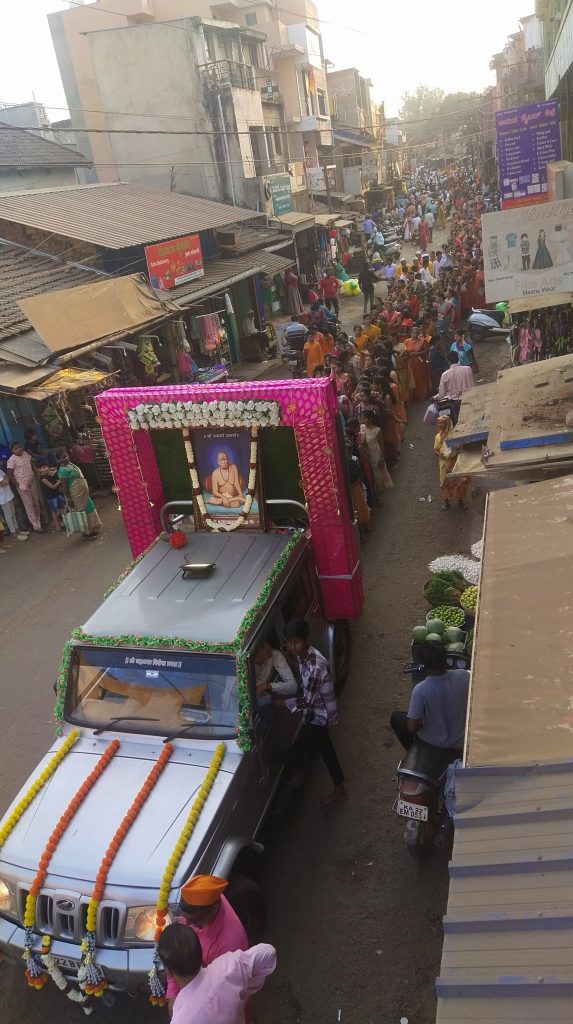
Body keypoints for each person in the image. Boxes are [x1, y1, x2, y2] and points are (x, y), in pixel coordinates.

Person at [282, 618, 347, 805]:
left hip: (319, 715)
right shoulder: (303, 656)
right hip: (316, 713)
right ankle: (340, 789)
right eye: (289, 642)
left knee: (291, 755)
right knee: (327, 751)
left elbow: (306, 701)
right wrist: (290, 658)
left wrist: (281, 703)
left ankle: (301, 770)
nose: (293, 647)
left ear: (306, 640)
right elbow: (299, 665)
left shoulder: (315, 665)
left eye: (296, 642)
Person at [158, 923, 275, 1024]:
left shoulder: (181, 1019)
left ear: (168, 970)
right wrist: (245, 988)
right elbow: (268, 952)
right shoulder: (229, 966)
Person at [165, 875, 249, 1014]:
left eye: (195, 922)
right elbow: (177, 952)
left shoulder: (231, 944)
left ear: (214, 908)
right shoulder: (204, 902)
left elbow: (227, 997)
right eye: (186, 919)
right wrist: (173, 993)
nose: (188, 925)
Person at [390, 640, 470, 756]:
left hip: (434, 743)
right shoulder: (464, 676)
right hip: (462, 741)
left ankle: (415, 753)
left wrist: (422, 722)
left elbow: (412, 727)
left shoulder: (421, 690)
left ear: (423, 664)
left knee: (397, 718)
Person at [56, 447, 103, 538]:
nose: (66, 458)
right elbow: (65, 487)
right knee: (81, 512)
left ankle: (93, 528)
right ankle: (86, 534)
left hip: (84, 494)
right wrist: (69, 499)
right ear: (58, 460)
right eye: (63, 457)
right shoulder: (62, 471)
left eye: (66, 456)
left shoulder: (70, 464)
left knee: (90, 508)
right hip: (75, 495)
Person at [434, 415, 470, 510]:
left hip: (455, 463)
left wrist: (456, 451)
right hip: (444, 464)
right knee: (445, 482)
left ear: (448, 424)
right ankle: (446, 502)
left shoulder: (454, 436)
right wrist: (438, 454)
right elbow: (436, 449)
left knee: (460, 482)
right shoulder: (438, 436)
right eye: (439, 423)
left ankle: (460, 501)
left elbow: (460, 448)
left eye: (442, 423)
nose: (440, 425)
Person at [6, 441, 43, 533]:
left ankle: (38, 521)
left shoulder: (25, 454)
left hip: (32, 482)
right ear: (12, 451)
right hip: (22, 486)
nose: (18, 449)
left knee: (36, 502)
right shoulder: (12, 460)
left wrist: (38, 474)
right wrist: (17, 484)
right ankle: (36, 526)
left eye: (19, 447)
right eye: (15, 448)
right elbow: (9, 474)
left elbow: (32, 465)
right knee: (29, 505)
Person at [0, 466, 28, 541]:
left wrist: (5, 481)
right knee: (8, 515)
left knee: (12, 512)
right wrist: (5, 481)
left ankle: (17, 530)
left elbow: (6, 477)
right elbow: (4, 481)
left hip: (8, 493)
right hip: (3, 497)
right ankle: (14, 533)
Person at [38, 460, 67, 531]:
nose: (46, 469)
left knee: (63, 507)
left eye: (47, 467)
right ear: (39, 470)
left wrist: (52, 471)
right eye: (43, 468)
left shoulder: (49, 474)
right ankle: (57, 526)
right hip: (51, 497)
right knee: (54, 511)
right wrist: (59, 481)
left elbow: (55, 468)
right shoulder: (43, 479)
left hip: (56, 494)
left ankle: (64, 522)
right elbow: (53, 487)